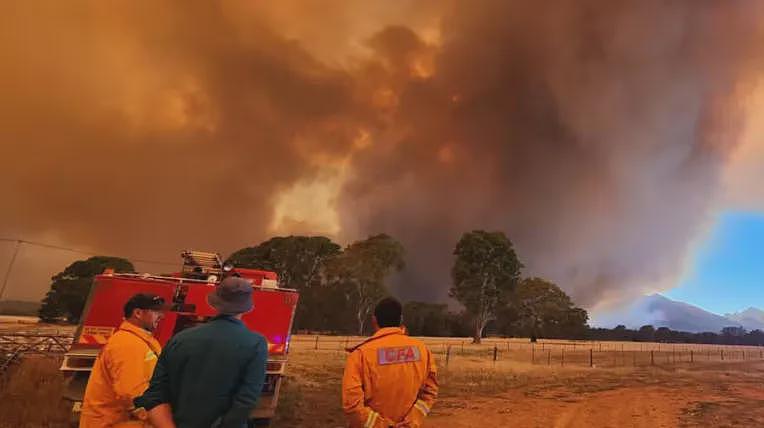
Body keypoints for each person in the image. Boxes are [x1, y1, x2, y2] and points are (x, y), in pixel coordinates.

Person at [134, 277, 268, 428]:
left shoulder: (179, 339)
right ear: (247, 308)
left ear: (213, 303)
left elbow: (155, 396)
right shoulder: (255, 344)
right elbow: (246, 401)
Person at [342, 297, 439, 428]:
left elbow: (352, 405)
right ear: (401, 320)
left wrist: (382, 425)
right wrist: (413, 419)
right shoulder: (422, 350)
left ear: (374, 320)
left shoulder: (360, 355)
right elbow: (430, 392)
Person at [80, 293, 167, 427]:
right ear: (138, 313)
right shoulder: (128, 344)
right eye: (155, 311)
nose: (162, 316)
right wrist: (158, 417)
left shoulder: (142, 340)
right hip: (113, 423)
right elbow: (131, 392)